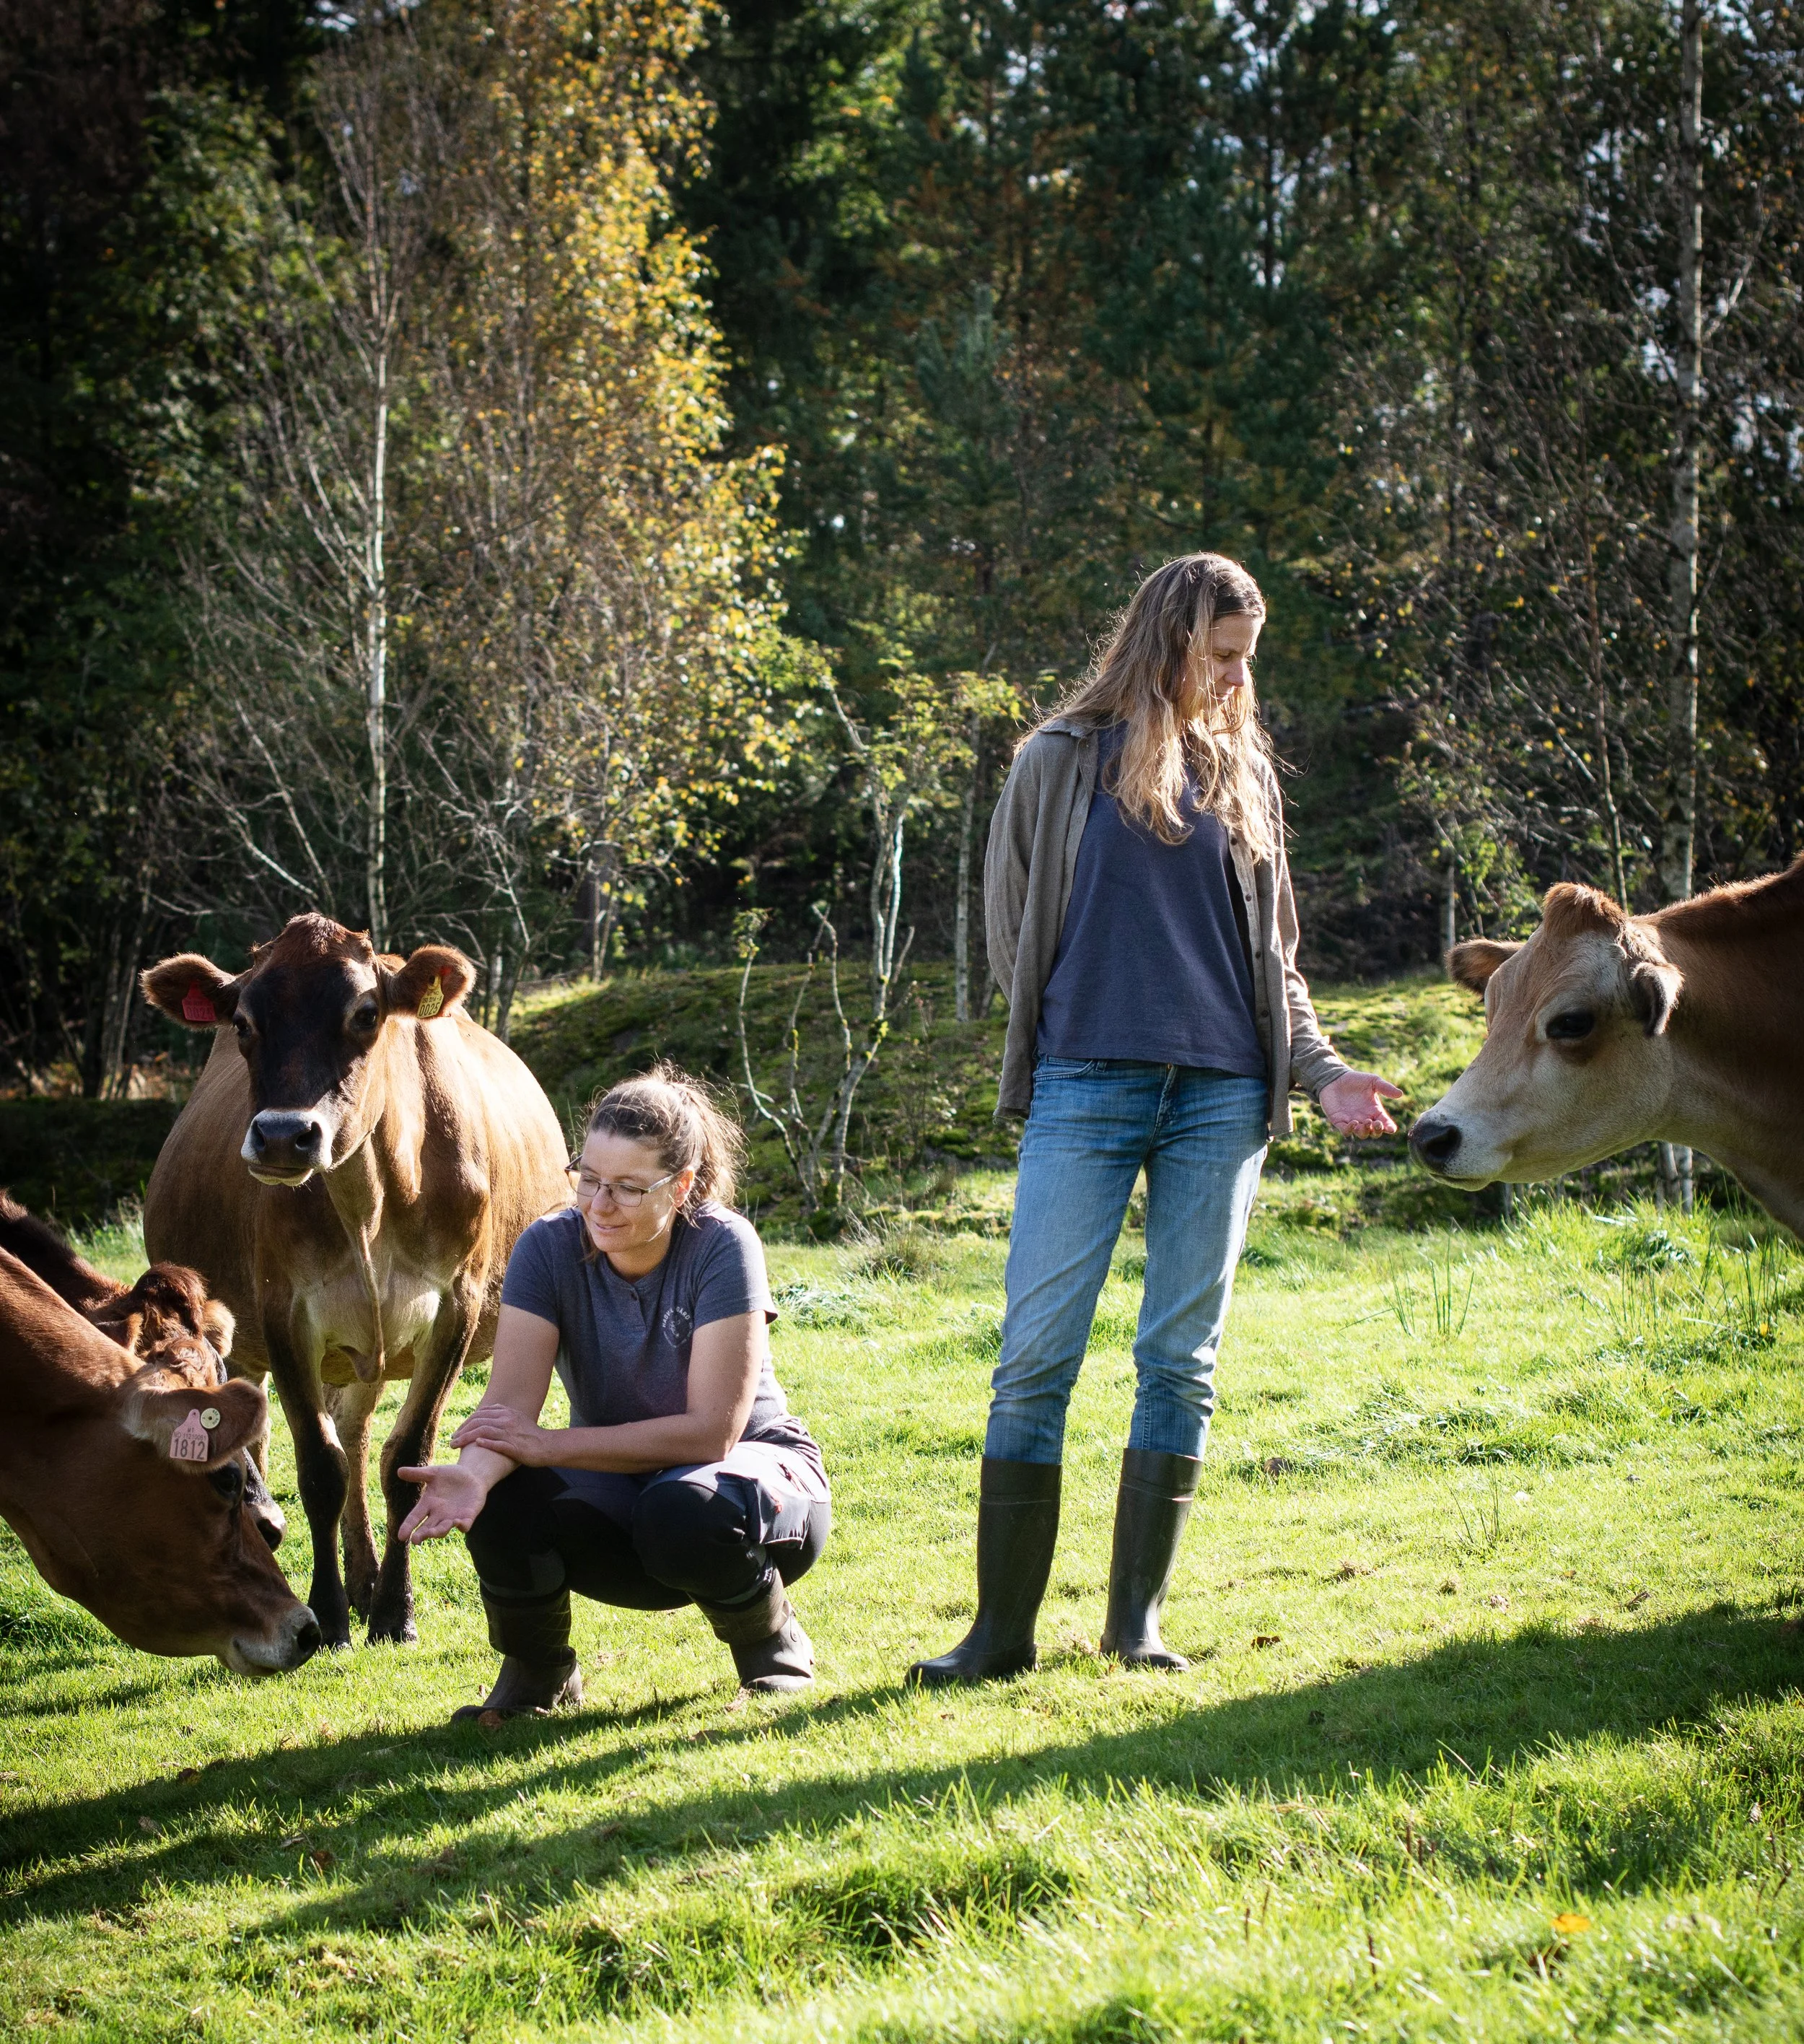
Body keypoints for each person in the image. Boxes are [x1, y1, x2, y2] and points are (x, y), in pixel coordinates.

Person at [908, 552, 1401, 1687]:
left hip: (1223, 1096)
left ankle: (1135, 1627)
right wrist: (1071, 1020)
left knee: (1180, 1359)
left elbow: (1275, 961)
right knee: (1034, 1358)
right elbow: (1010, 921)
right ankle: (999, 1636)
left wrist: (1323, 1073)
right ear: (1169, 638)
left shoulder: (1245, 774)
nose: (1236, 680)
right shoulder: (1057, 761)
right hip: (1086, 1084)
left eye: (1247, 661)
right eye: (1222, 655)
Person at [398, 1063, 830, 1718]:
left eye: (628, 1188)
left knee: (681, 1506)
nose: (599, 1206)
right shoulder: (547, 1247)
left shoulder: (723, 1245)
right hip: (629, 1493)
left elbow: (712, 1431)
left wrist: (549, 1445)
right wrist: (477, 1477)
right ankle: (539, 1676)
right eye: (589, 1179)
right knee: (504, 1496)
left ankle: (772, 1647)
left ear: (680, 1186)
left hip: (750, 1494)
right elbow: (509, 1409)